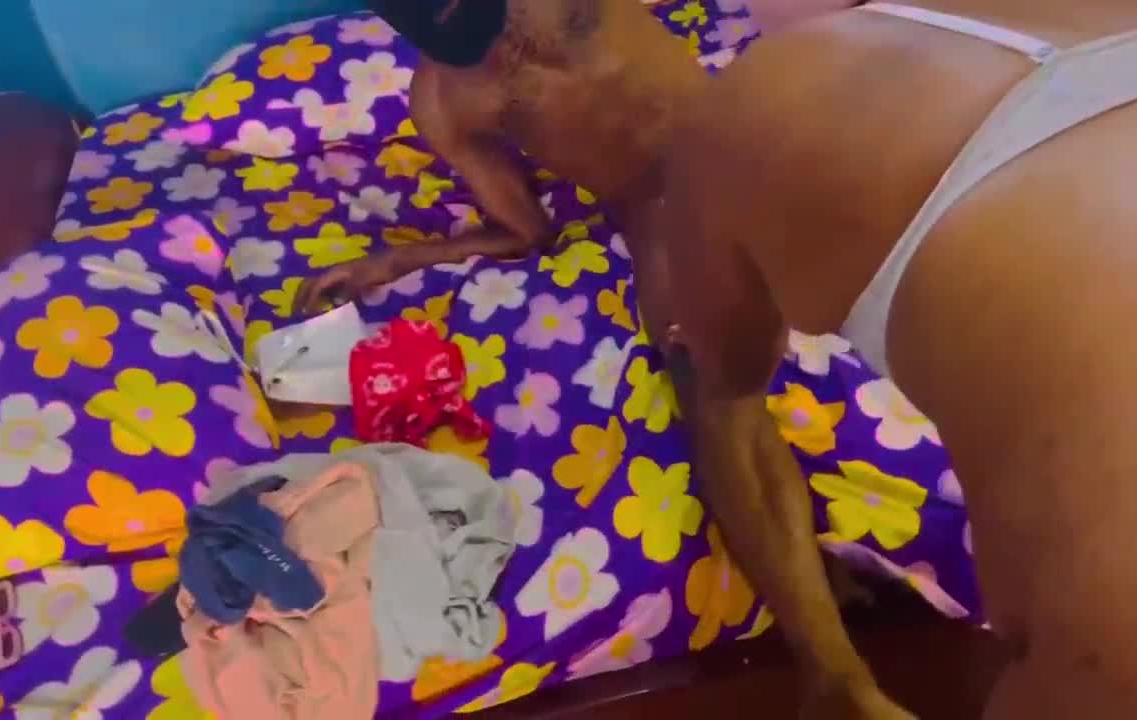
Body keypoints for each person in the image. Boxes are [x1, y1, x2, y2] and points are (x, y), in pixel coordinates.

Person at [301, 1, 1137, 717]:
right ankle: (830, 670)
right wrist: (400, 260)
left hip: (748, 143)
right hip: (660, 210)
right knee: (705, 387)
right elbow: (525, 231)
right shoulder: (444, 101)